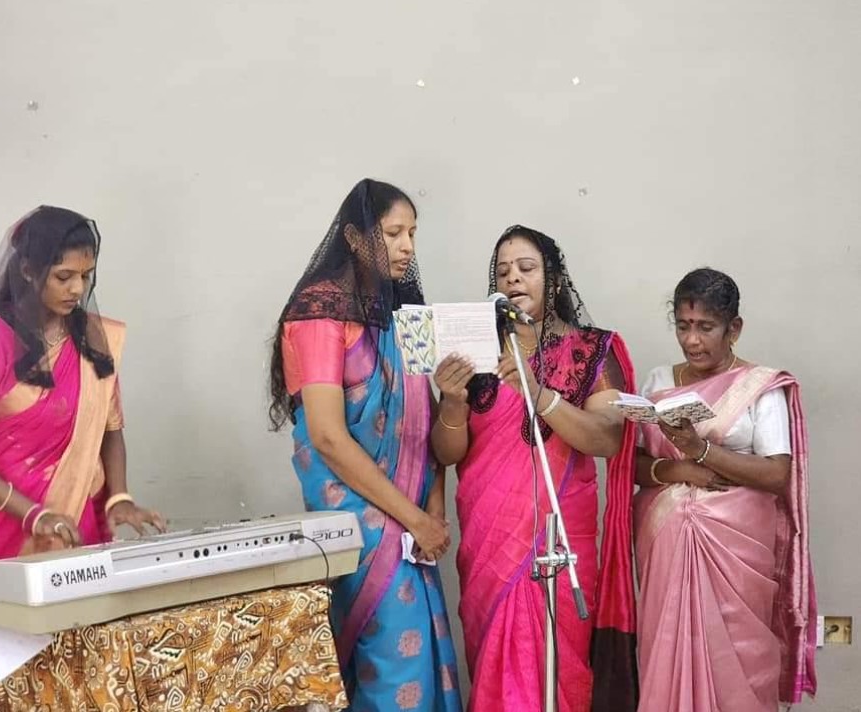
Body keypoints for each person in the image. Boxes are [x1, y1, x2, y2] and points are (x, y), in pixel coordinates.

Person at [268, 179, 462, 712]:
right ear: (355, 238)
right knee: (390, 665)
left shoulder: (410, 316)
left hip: (415, 524)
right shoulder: (318, 314)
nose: (407, 246)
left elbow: (425, 426)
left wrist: (434, 511)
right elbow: (328, 437)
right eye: (394, 233)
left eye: (413, 233)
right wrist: (414, 518)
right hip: (360, 523)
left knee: (422, 661)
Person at [432, 225, 639, 712]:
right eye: (503, 271)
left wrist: (540, 393)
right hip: (490, 543)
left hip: (559, 542)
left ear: (555, 279)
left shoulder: (592, 348)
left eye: (527, 268)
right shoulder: (476, 354)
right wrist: (453, 400)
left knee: (559, 671)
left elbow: (606, 438)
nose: (513, 278)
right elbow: (446, 453)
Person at [632, 267, 816, 711]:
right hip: (665, 544)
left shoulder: (760, 388)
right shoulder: (658, 382)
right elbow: (634, 467)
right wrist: (680, 471)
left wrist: (700, 451)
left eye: (705, 327)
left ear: (734, 328)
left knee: (735, 660)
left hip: (735, 551)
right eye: (683, 326)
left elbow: (776, 474)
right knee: (666, 651)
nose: (692, 341)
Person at [0, 205, 165, 562]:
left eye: (86, 276)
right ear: (28, 271)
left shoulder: (93, 337)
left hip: (80, 518)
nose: (77, 288)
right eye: (64, 277)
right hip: (13, 522)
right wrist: (34, 515)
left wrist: (119, 497)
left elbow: (110, 429)